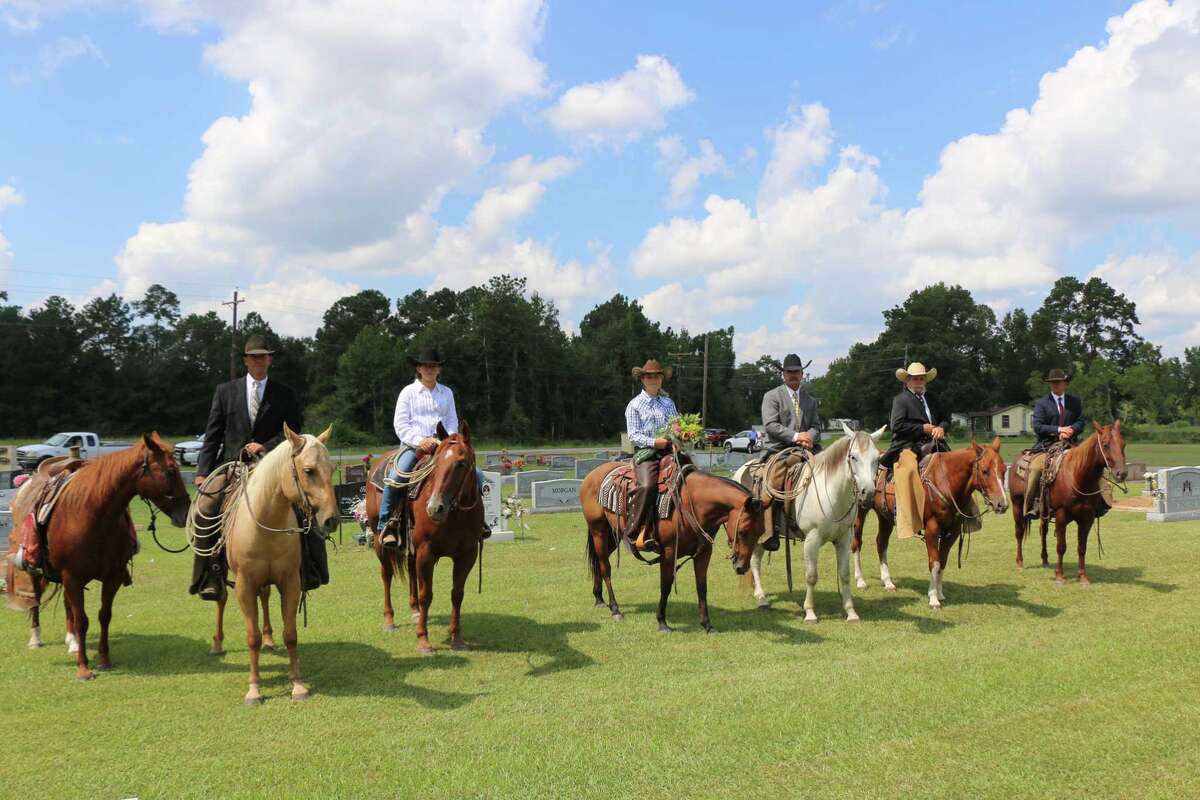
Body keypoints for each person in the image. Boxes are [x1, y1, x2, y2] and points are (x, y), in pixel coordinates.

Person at [191, 335, 304, 601]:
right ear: (246, 361)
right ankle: (210, 575)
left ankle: (309, 570)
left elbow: (295, 432)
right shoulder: (225, 391)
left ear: (270, 360)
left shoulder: (285, 394)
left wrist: (263, 445)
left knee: (303, 508)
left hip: (271, 467)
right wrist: (203, 471)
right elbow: (213, 434)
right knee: (204, 512)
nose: (259, 361)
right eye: (254, 357)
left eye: (263, 356)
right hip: (231, 467)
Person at [378, 347, 489, 548]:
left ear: (439, 370)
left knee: (478, 475)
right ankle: (387, 523)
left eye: (433, 367)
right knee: (395, 478)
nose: (429, 370)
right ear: (418, 369)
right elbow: (401, 424)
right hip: (414, 446)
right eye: (425, 366)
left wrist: (446, 442)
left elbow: (452, 421)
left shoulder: (446, 393)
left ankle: (478, 521)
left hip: (444, 446)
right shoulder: (408, 393)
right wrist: (420, 440)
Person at [879, 362, 949, 540]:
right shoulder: (900, 400)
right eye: (915, 378)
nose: (919, 381)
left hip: (935, 444)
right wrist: (922, 428)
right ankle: (903, 513)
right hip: (908, 445)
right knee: (908, 470)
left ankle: (961, 514)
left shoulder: (932, 398)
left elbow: (945, 418)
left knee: (958, 468)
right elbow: (897, 425)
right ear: (908, 381)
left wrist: (941, 428)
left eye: (921, 378)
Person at [759, 353, 822, 545]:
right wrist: (796, 436)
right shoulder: (772, 396)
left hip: (808, 449)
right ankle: (771, 529)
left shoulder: (810, 400)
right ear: (783, 374)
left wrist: (810, 435)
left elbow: (817, 426)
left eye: (796, 372)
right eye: (789, 372)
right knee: (775, 477)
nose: (793, 375)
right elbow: (770, 425)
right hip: (780, 449)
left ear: (802, 374)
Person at [623, 359, 678, 552]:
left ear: (661, 379)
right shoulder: (634, 405)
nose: (653, 379)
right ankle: (631, 532)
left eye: (656, 376)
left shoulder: (668, 402)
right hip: (647, 453)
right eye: (648, 376)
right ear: (642, 380)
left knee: (691, 475)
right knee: (646, 486)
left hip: (669, 451)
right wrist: (655, 442)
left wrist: (679, 435)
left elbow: (675, 424)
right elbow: (634, 436)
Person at [1024, 368, 1085, 519]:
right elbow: (1038, 426)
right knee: (1037, 468)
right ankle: (1032, 505)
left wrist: (1071, 430)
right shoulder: (1041, 403)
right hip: (1047, 445)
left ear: (1065, 384)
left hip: (1071, 444)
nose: (1055, 385)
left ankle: (1100, 502)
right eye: (1052, 383)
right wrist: (1059, 430)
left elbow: (1081, 421)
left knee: (1091, 463)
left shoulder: (1075, 402)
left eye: (1058, 382)